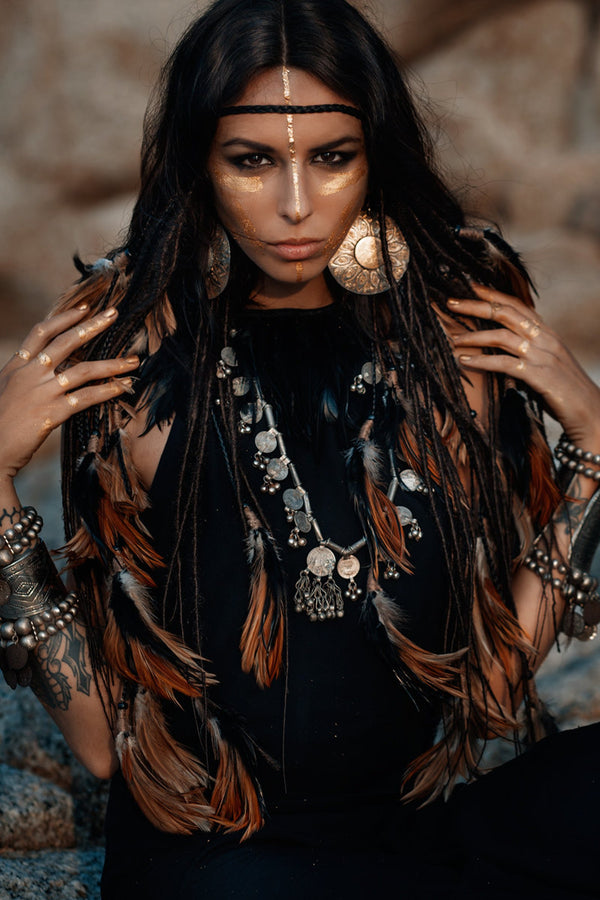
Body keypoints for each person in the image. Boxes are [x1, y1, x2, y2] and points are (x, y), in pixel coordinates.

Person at [1, 1, 599, 897]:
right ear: (200, 162)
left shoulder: (453, 342)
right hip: (221, 858)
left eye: (331, 158)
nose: (294, 203)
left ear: (375, 157)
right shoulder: (131, 361)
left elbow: (493, 686)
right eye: (252, 161)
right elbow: (101, 746)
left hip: (419, 831)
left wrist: (594, 440)